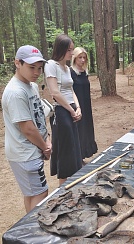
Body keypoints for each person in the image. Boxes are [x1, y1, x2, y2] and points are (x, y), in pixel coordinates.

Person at [1, 45, 52, 213]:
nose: (37, 72)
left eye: (39, 68)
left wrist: (47, 139)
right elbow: (27, 129)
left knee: (31, 194)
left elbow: (39, 118)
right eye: (31, 67)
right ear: (17, 63)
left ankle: (28, 232)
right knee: (40, 193)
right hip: (25, 153)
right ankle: (32, 234)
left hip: (33, 149)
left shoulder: (32, 86)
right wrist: (45, 147)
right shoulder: (16, 92)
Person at [44, 34, 82, 186]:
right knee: (66, 151)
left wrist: (78, 108)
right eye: (69, 50)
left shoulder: (67, 68)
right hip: (61, 111)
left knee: (74, 148)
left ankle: (73, 185)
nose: (71, 53)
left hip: (71, 109)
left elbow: (71, 90)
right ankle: (63, 188)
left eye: (72, 50)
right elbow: (55, 93)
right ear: (60, 49)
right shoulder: (51, 65)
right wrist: (71, 111)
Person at [70, 47, 98, 162]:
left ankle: (85, 153)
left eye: (84, 58)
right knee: (79, 130)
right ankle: (78, 157)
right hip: (77, 106)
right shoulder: (71, 72)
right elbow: (70, 91)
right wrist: (76, 107)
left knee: (86, 129)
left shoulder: (85, 72)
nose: (82, 60)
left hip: (86, 105)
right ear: (74, 58)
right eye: (80, 57)